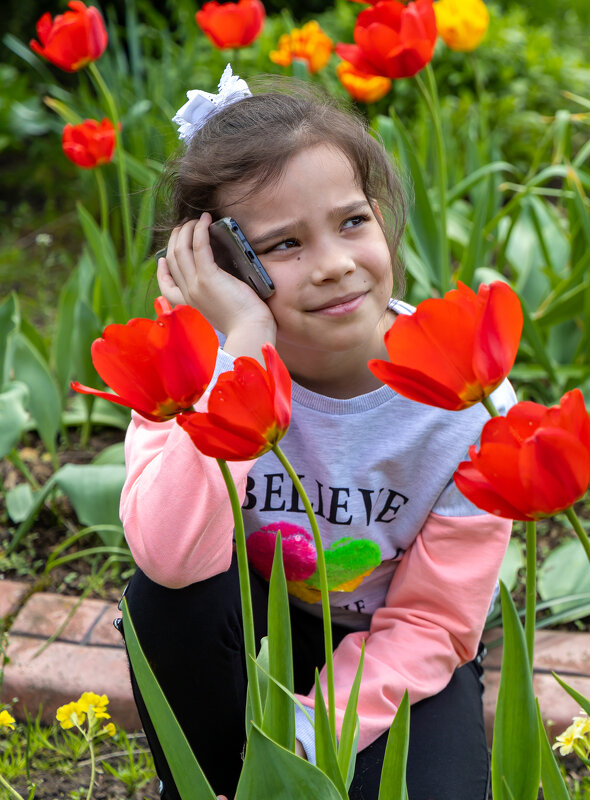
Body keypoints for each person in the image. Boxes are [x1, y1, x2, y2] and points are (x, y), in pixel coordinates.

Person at [118, 67, 514, 800]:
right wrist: (241, 347)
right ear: (221, 261)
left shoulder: (462, 389)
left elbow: (433, 618)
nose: (335, 266)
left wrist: (311, 732)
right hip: (253, 627)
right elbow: (172, 559)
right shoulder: (192, 361)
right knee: (161, 604)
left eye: (352, 222)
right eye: (285, 245)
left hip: (402, 650)